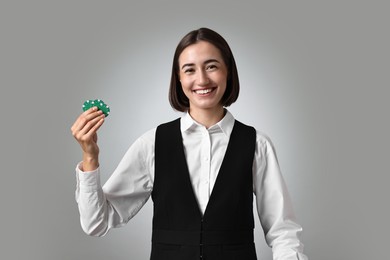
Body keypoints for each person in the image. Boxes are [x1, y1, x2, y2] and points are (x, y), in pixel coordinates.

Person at [71, 27, 308, 260]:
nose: (202, 79)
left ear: (228, 72)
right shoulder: (152, 144)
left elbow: (283, 232)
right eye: (190, 69)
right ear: (179, 78)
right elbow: (96, 223)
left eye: (212, 66)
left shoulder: (257, 144)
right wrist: (90, 157)